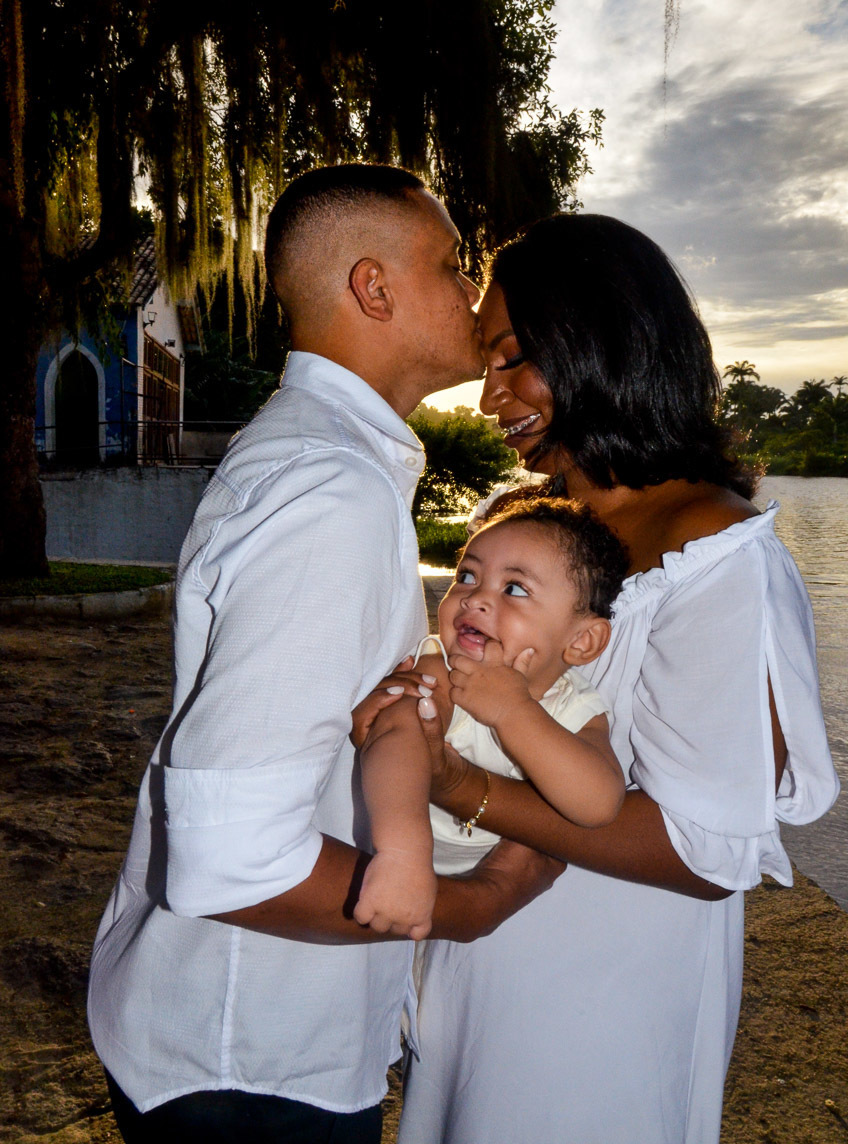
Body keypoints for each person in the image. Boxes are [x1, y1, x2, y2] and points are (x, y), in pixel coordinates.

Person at [86, 164, 561, 1144]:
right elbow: (232, 860)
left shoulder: (324, 463)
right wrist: (463, 904)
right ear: (373, 288)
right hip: (247, 1062)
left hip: (235, 1037)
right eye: (449, 266)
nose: (472, 297)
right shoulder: (328, 490)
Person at [397, 213, 840, 1144]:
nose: (489, 398)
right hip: (476, 968)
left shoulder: (720, 560)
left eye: (514, 357)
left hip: (601, 1009)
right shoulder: (521, 521)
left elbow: (701, 851)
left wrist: (468, 789)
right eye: (487, 361)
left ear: (603, 341)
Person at [352, 497, 627, 949]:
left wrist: (513, 711)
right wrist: (402, 854)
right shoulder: (439, 670)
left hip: (491, 889)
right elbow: (399, 736)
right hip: (396, 863)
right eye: (467, 576)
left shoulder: (576, 707)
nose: (475, 597)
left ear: (582, 641)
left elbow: (597, 804)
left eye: (514, 588)